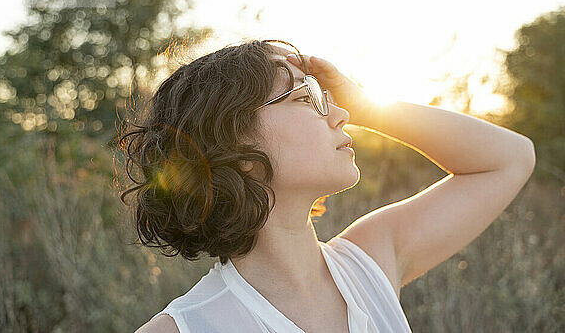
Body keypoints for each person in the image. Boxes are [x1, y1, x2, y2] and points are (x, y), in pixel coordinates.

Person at [122, 39, 536, 333]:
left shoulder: (370, 262)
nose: (340, 114)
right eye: (306, 98)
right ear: (235, 146)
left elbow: (510, 159)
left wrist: (370, 107)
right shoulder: (186, 328)